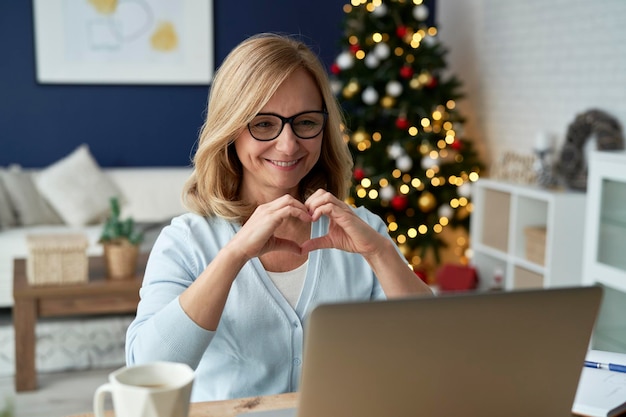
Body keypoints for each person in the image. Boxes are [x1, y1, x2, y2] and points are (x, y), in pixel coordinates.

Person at [125, 33, 433, 402]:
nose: (288, 145)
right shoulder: (187, 241)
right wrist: (234, 255)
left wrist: (381, 254)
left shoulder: (364, 231)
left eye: (304, 122)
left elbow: (431, 347)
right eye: (264, 124)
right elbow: (145, 366)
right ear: (231, 130)